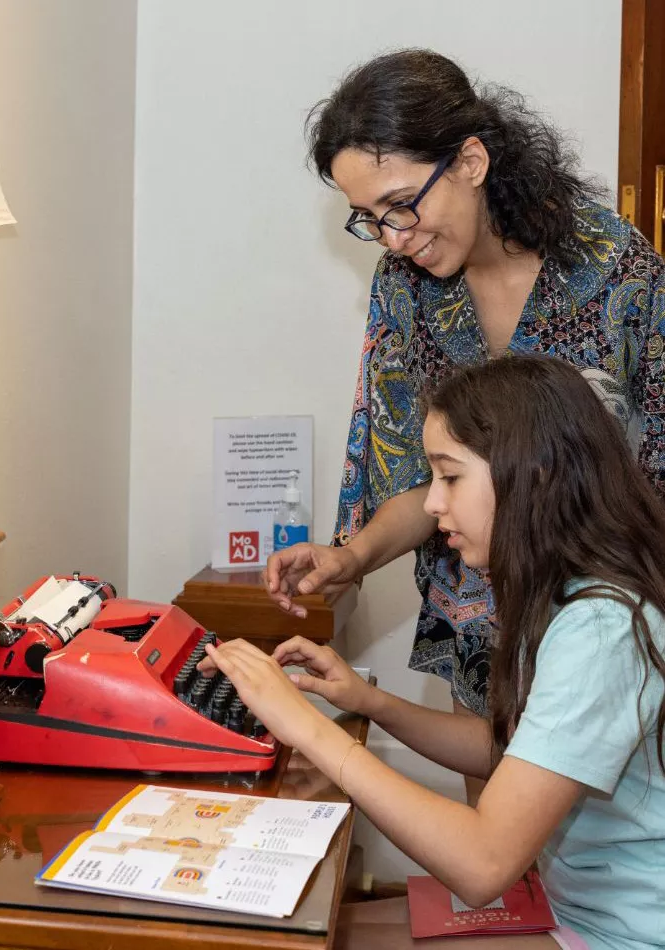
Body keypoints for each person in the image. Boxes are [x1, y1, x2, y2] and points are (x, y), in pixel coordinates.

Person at [265, 49, 665, 735]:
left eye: (401, 204)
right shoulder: (405, 287)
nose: (393, 236)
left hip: (604, 631)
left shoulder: (616, 269)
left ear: (472, 162)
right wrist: (352, 556)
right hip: (479, 627)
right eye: (369, 217)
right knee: (493, 827)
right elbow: (413, 476)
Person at [203, 356, 665, 950]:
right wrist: (371, 702)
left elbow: (482, 863)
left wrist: (309, 731)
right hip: (579, 906)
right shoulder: (568, 593)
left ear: (536, 474)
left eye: (450, 477)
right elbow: (513, 753)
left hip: (620, 934)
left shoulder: (603, 629)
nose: (431, 505)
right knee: (332, 931)